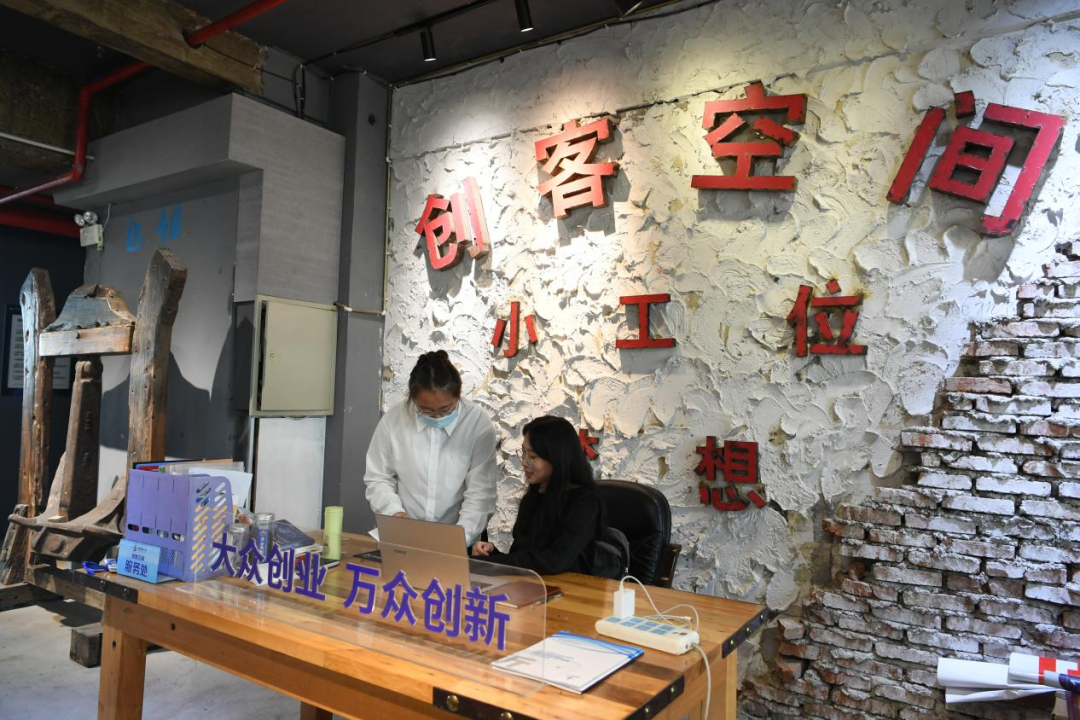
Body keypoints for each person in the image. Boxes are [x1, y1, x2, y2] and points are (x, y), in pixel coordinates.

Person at [364, 351, 497, 545]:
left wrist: (459, 538)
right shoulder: (394, 420)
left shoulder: (477, 424)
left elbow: (481, 492)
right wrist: (394, 513)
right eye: (426, 410)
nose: (437, 416)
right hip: (406, 536)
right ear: (412, 398)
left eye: (446, 409)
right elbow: (378, 477)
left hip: (460, 537)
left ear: (458, 396)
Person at [472, 415, 616, 576]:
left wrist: (492, 563)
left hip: (571, 587)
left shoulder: (584, 503)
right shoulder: (532, 498)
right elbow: (524, 557)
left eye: (532, 457)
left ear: (556, 457)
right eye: (523, 453)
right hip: (533, 585)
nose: (524, 462)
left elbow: (554, 561)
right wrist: (491, 554)